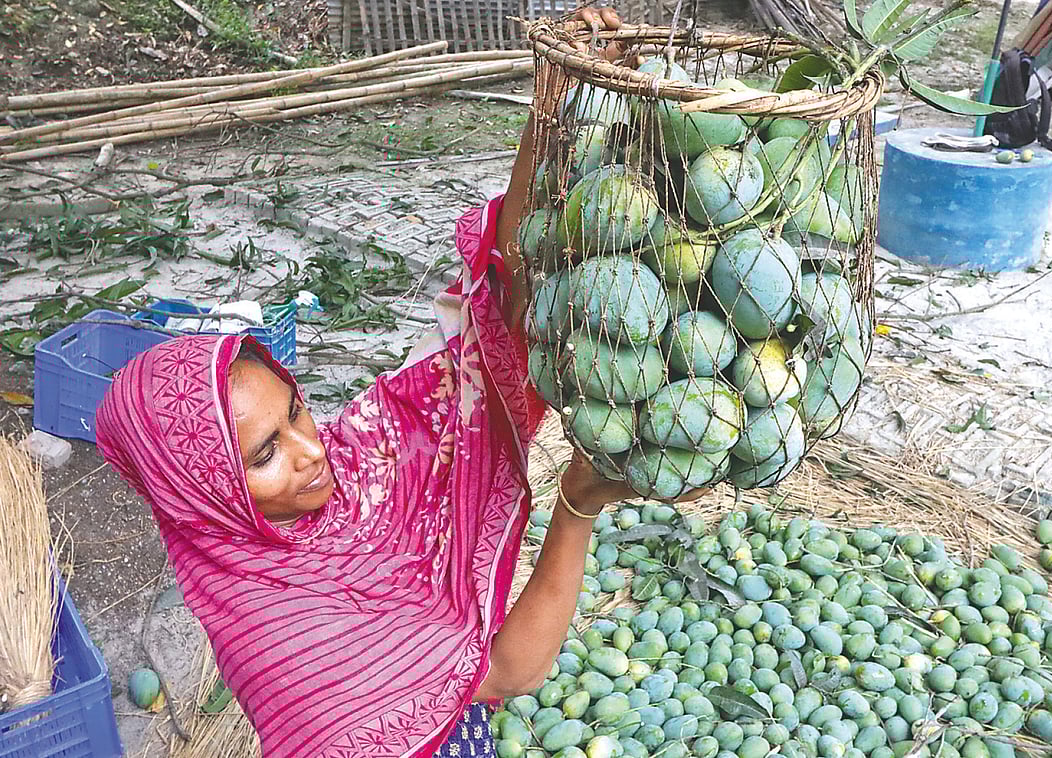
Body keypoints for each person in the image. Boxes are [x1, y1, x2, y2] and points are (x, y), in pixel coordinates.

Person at [95, 8, 693, 757]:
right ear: (200, 494)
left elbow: (492, 314)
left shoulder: (361, 467)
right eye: (263, 454)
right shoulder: (280, 635)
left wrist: (561, 101)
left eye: (296, 412)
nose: (311, 450)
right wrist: (573, 509)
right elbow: (510, 671)